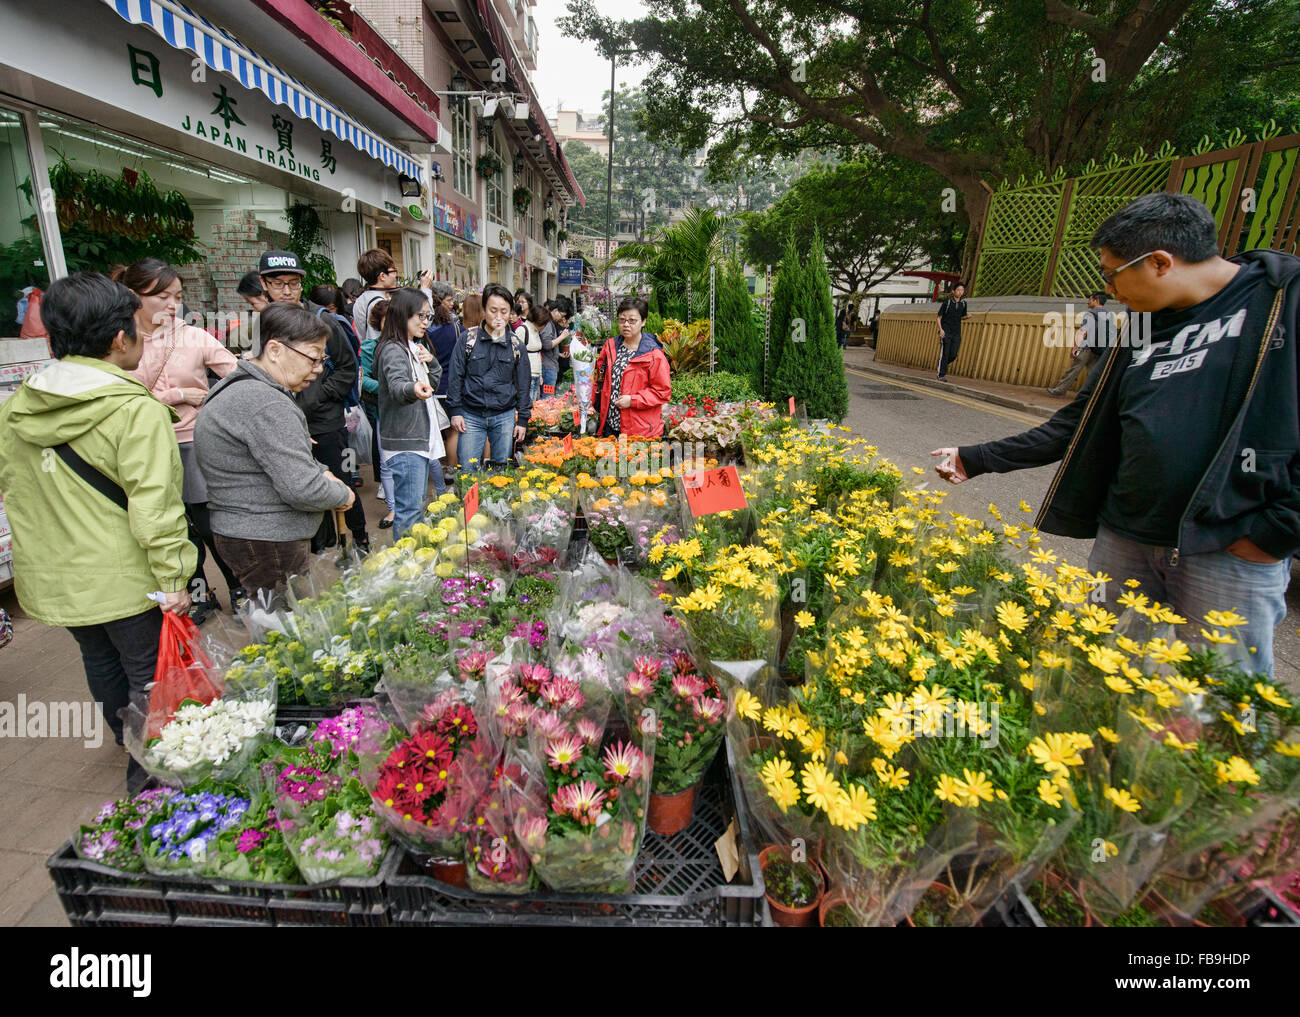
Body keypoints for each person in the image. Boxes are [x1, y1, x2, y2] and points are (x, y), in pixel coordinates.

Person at [932, 192, 1300, 676]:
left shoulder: (1280, 301)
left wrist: (1278, 531)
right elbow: (1078, 422)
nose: (1109, 290)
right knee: (1095, 672)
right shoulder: (1141, 325)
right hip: (1125, 537)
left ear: (1160, 262)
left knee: (1218, 698)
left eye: (1112, 274)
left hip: (1227, 544)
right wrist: (976, 457)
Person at [0, 272, 196, 791]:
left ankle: (126, 738)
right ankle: (151, 779)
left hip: (55, 578)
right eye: (138, 327)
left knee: (99, 659)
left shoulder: (17, 408)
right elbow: (155, 509)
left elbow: (14, 489)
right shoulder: (133, 410)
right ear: (117, 338)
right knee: (149, 675)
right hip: (128, 579)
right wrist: (175, 577)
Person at [195, 302, 355, 602]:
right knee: (286, 632)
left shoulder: (242, 386)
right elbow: (302, 488)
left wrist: (320, 470)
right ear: (275, 350)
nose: (319, 369)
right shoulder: (265, 402)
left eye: (323, 360)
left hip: (248, 533)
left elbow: (278, 458)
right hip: (266, 539)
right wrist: (342, 494)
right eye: (313, 358)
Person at [119, 259, 241, 623]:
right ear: (133, 297)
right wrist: (175, 396)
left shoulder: (193, 336)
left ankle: (239, 589)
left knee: (209, 524)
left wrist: (206, 397)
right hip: (147, 448)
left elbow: (237, 377)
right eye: (162, 297)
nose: (173, 306)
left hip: (195, 444)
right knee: (174, 528)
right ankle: (199, 594)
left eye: (178, 296)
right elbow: (119, 401)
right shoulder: (120, 342)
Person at [257, 250, 369, 555]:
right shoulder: (265, 324)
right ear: (264, 284)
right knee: (300, 486)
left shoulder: (322, 320)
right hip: (284, 423)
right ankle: (318, 549)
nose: (287, 291)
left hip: (326, 422)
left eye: (293, 284)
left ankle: (359, 541)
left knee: (341, 482)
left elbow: (348, 367)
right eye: (279, 284)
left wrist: (316, 396)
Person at [375, 289, 448, 537]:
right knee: (410, 510)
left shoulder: (412, 346)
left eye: (429, 317)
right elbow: (397, 386)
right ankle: (407, 568)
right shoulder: (393, 349)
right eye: (421, 316)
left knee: (415, 508)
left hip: (417, 437)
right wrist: (412, 388)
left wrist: (431, 362)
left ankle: (411, 564)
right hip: (405, 443)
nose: (426, 322)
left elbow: (433, 383)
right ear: (403, 313)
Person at [447, 283, 532, 472]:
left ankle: (496, 503)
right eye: (493, 310)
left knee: (501, 471)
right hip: (471, 415)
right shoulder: (468, 339)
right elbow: (456, 376)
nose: (499, 316)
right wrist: (455, 411)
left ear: (511, 312)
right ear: (484, 310)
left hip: (504, 415)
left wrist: (522, 420)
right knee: (468, 470)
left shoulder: (516, 345)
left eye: (504, 311)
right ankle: (467, 501)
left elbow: (524, 384)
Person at [594, 296, 671, 439]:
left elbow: (662, 392)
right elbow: (599, 379)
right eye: (622, 320)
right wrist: (592, 403)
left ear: (643, 322)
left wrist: (632, 400)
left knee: (631, 461)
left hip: (639, 429)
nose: (626, 325)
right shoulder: (610, 346)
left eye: (632, 321)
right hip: (610, 425)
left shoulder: (653, 355)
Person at [359, 297, 396, 528]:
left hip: (413, 416)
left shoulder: (415, 345)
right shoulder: (369, 348)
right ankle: (392, 509)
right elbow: (364, 382)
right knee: (386, 463)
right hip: (385, 412)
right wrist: (390, 388)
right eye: (386, 321)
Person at [1047, 291, 1114, 396]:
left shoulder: (1090, 314)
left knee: (1074, 369)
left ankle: (1059, 390)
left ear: (1096, 300)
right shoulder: (1109, 315)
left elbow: (1083, 331)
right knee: (1094, 373)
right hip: (1100, 349)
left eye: (1090, 300)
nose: (1088, 302)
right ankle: (1095, 395)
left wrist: (1075, 347)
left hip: (1087, 348)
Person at [427, 282, 462, 472]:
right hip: (451, 386)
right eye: (449, 300)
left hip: (431, 387)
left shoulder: (425, 330)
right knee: (453, 431)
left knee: (434, 433)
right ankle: (451, 469)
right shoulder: (456, 329)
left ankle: (435, 470)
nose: (452, 304)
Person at [516, 292, 545, 403]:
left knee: (534, 406)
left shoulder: (535, 330)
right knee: (527, 405)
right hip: (528, 375)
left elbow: (538, 354)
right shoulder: (522, 330)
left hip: (536, 373)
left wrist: (540, 374)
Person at [936, 282, 969, 381]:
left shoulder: (963, 303)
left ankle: (942, 363)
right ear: (953, 291)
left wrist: (967, 317)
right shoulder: (947, 303)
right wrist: (941, 330)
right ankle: (941, 374)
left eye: (962, 290)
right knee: (945, 353)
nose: (960, 292)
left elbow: (962, 316)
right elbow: (939, 317)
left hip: (956, 332)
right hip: (946, 331)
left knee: (953, 354)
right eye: (958, 290)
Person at [540, 295, 572, 393]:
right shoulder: (548, 324)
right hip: (548, 368)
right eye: (561, 316)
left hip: (550, 366)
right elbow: (547, 345)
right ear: (555, 310)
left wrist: (558, 353)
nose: (561, 319)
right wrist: (562, 337)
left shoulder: (550, 323)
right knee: (547, 397)